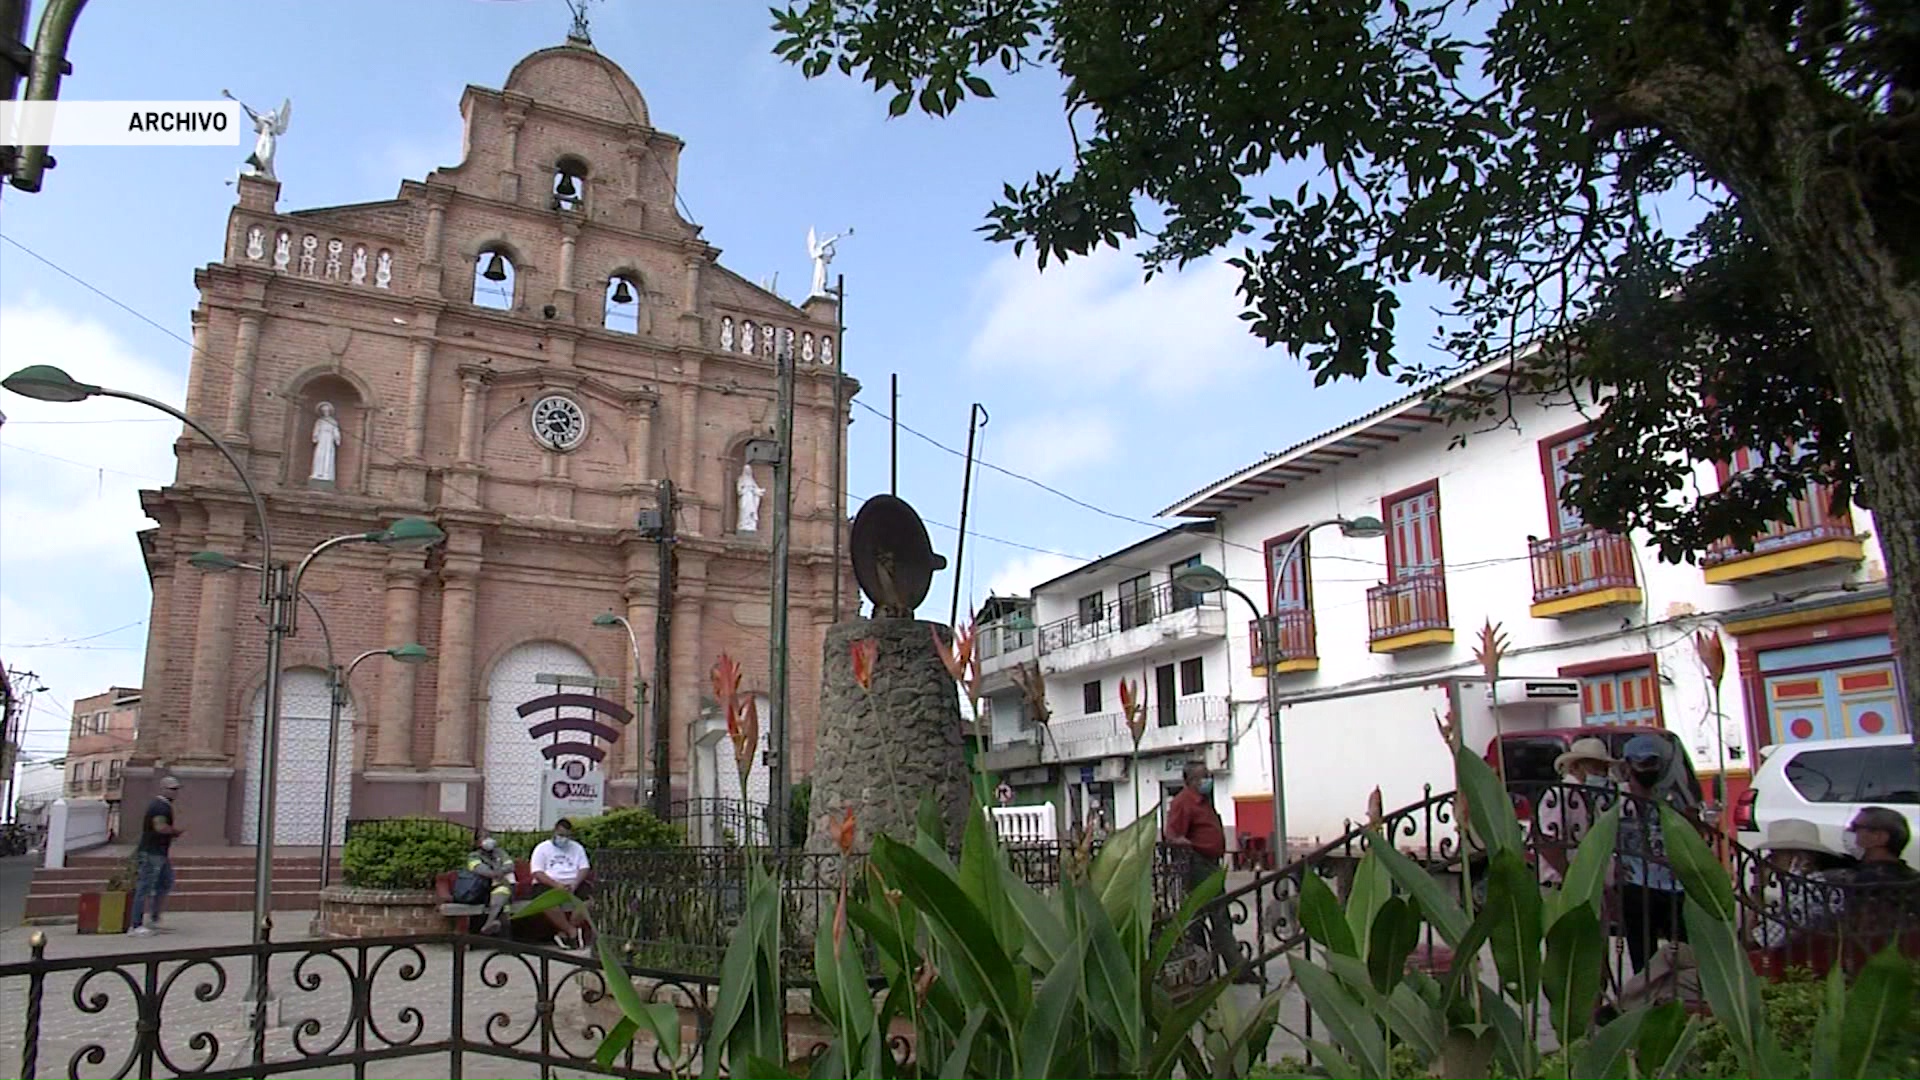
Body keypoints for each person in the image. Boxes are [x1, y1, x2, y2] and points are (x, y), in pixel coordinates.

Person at [1614, 735, 1694, 974]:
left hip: (1673, 885)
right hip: (1635, 885)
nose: (1647, 769)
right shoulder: (1615, 800)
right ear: (1627, 766)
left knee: (1683, 952)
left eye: (1652, 764)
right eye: (1642, 764)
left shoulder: (1671, 799)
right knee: (1643, 957)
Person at [1164, 761, 1241, 975]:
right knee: (1211, 916)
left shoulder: (1204, 801)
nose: (1207, 780)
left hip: (1210, 862)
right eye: (1201, 777)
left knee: (1216, 916)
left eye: (1207, 775)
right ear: (1190, 780)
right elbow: (1172, 834)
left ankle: (1217, 966)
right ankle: (1220, 967)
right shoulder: (1184, 802)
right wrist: (1186, 845)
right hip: (1198, 864)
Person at [1536, 737, 1617, 886]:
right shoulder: (1560, 795)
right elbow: (1548, 843)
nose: (1601, 774)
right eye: (1595, 767)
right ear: (1575, 767)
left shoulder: (1597, 797)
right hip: (1562, 886)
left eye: (1604, 768)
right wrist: (1573, 881)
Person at [529, 818, 595, 950]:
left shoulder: (577, 848)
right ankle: (572, 931)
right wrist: (556, 885)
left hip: (572, 883)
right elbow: (537, 872)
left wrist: (575, 884)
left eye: (566, 836)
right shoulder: (542, 848)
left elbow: (584, 868)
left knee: (591, 901)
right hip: (548, 883)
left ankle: (564, 933)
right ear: (554, 832)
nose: (563, 838)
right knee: (547, 902)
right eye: (560, 835)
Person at [129, 777, 184, 936]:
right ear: (164, 789)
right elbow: (160, 827)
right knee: (145, 886)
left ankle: (153, 919)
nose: (176, 793)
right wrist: (175, 832)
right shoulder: (160, 807)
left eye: (177, 789)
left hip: (160, 852)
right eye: (173, 789)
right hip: (152, 852)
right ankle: (136, 925)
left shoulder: (164, 806)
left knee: (165, 883)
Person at [463, 833, 517, 935]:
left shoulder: (500, 852)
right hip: (484, 890)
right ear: (477, 842)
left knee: (503, 890)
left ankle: (490, 923)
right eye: (484, 837)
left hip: (503, 888)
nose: (488, 840)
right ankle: (502, 937)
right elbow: (482, 871)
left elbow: (510, 866)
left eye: (489, 836)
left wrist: (497, 874)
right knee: (505, 902)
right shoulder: (473, 856)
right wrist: (500, 873)